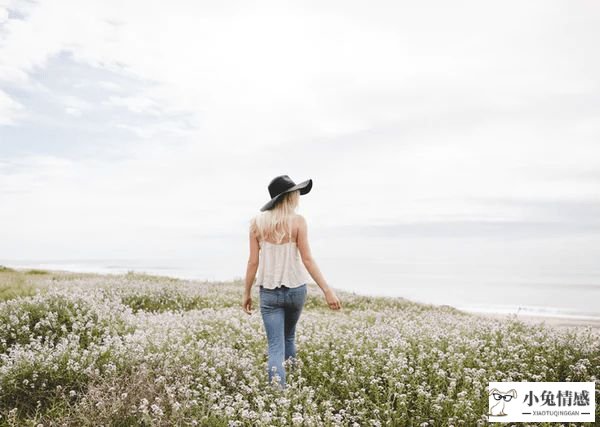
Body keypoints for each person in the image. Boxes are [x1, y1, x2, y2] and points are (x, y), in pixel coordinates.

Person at [242, 174, 342, 389]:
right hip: (296, 289)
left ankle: (278, 396)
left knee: (275, 346)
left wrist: (246, 293)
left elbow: (252, 262)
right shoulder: (298, 221)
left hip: (269, 292)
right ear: (289, 197)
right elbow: (307, 259)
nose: (298, 197)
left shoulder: (256, 223)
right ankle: (294, 383)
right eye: (296, 193)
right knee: (289, 338)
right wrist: (327, 291)